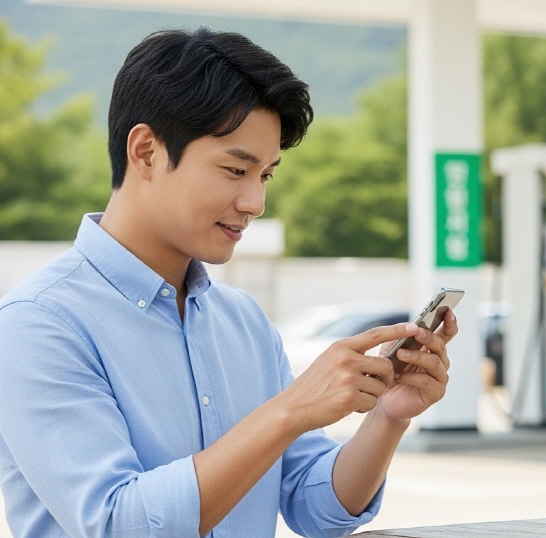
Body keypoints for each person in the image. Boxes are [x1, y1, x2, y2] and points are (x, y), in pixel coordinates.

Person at [0, 27, 456, 538]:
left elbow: (317, 509)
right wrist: (288, 412)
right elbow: (118, 524)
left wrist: (388, 418)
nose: (255, 203)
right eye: (235, 170)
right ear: (147, 151)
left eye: (266, 176)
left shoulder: (243, 321)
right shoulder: (37, 324)